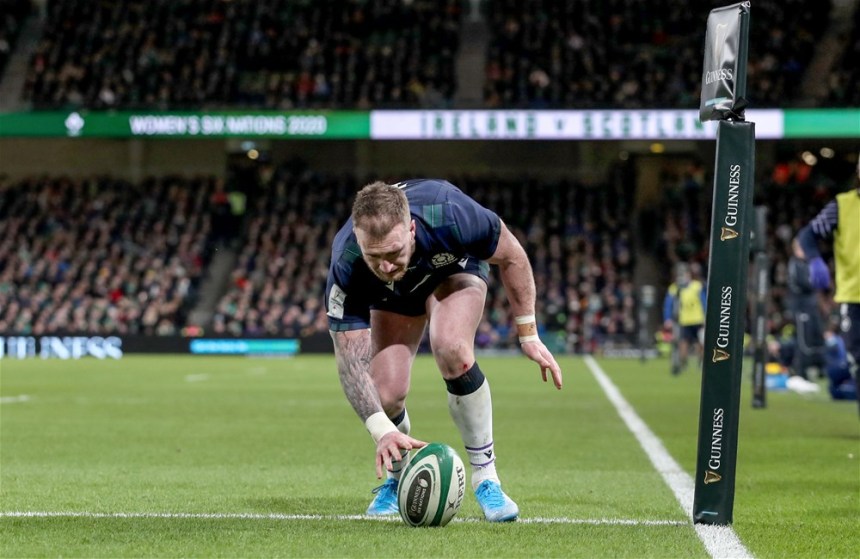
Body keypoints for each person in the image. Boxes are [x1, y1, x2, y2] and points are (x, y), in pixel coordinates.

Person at [325, 179, 563, 522]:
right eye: (373, 256)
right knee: (385, 394)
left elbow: (512, 255)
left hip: (451, 269)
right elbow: (350, 362)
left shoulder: (449, 212)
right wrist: (381, 430)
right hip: (393, 297)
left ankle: (486, 479)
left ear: (411, 229)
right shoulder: (347, 262)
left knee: (451, 347)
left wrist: (528, 333)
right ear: (359, 242)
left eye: (393, 253)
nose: (386, 266)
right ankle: (397, 478)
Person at [795, 156, 860, 411]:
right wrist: (814, 260)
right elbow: (808, 235)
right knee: (858, 361)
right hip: (854, 298)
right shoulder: (842, 206)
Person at [662, 262, 706, 375]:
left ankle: (701, 363)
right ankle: (683, 364)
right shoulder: (674, 288)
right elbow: (668, 305)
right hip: (684, 320)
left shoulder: (697, 286)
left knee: (700, 344)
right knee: (683, 343)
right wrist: (668, 318)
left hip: (698, 320)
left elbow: (704, 302)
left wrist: (706, 316)